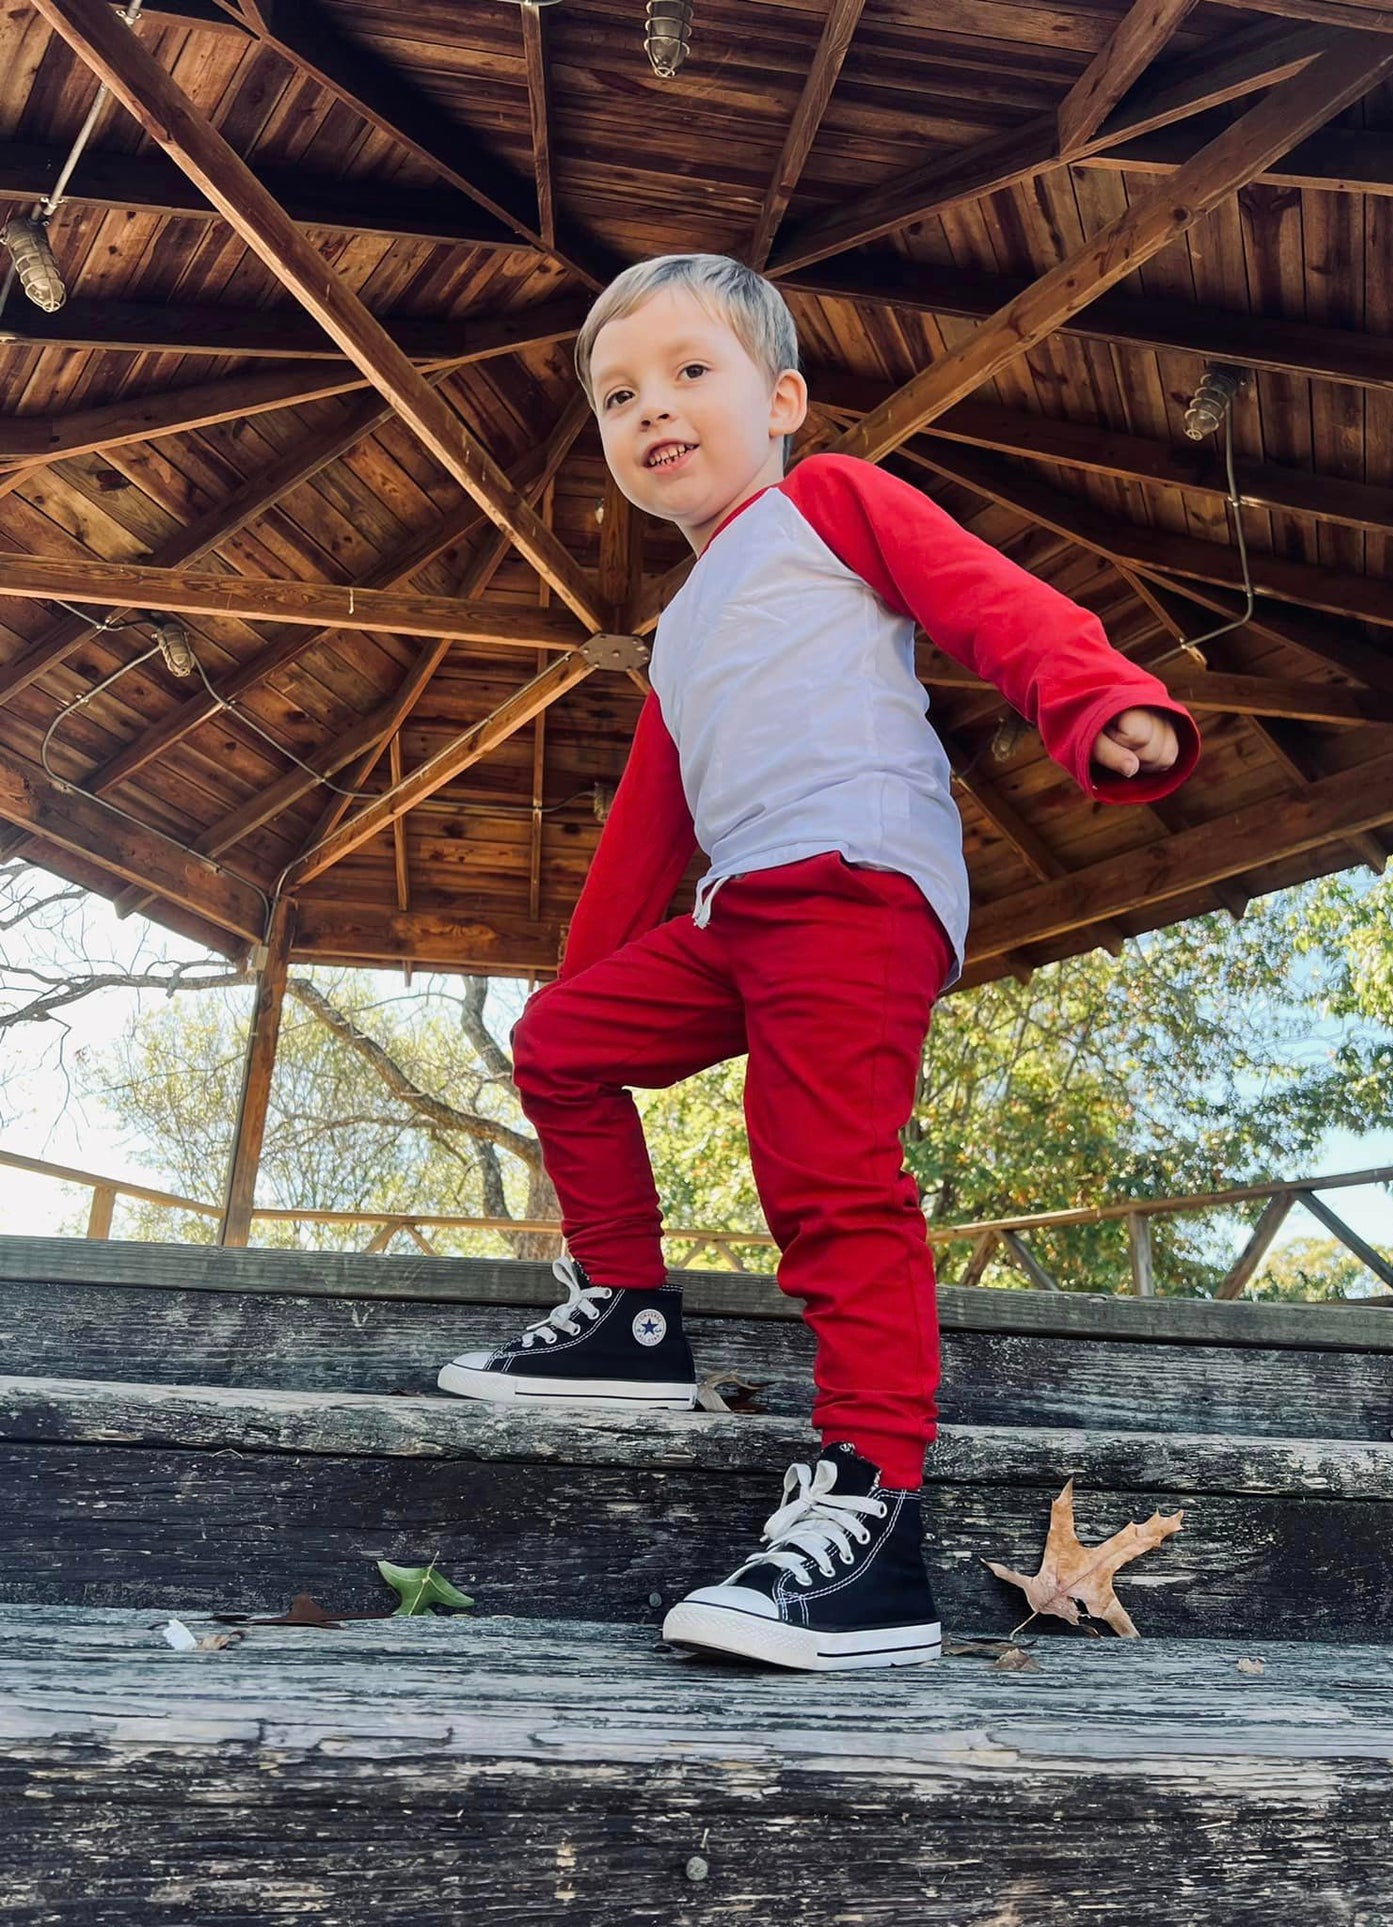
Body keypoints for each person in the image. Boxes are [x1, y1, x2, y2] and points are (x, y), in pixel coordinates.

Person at [437, 253, 1201, 1672]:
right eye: (616, 397)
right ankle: (629, 1319)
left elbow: (983, 596)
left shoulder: (830, 504)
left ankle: (872, 1516)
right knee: (556, 1044)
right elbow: (643, 834)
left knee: (820, 1167)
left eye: (688, 374)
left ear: (780, 398)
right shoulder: (675, 640)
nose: (650, 410)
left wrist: (1096, 699)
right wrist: (584, 984)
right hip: (738, 920)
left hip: (854, 889)